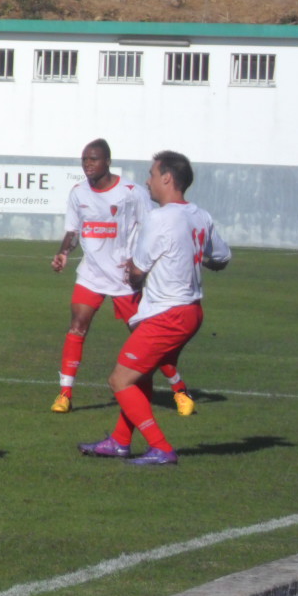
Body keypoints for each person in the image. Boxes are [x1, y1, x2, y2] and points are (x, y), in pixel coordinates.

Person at [79, 150, 231, 465]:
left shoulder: (160, 218)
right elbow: (221, 257)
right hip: (190, 311)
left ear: (167, 178)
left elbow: (138, 270)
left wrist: (132, 275)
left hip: (168, 314)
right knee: (140, 377)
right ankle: (120, 441)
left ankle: (160, 447)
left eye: (151, 174)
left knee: (119, 380)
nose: (148, 181)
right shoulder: (200, 215)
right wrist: (193, 257)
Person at [50, 139, 196, 415]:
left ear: (107, 161)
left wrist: (139, 261)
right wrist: (63, 253)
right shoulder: (78, 193)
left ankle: (179, 390)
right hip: (91, 275)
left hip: (125, 279)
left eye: (93, 159)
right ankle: (64, 394)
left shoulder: (132, 192)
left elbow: (151, 228)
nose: (88, 164)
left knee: (146, 338)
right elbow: (73, 231)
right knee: (77, 327)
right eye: (84, 159)